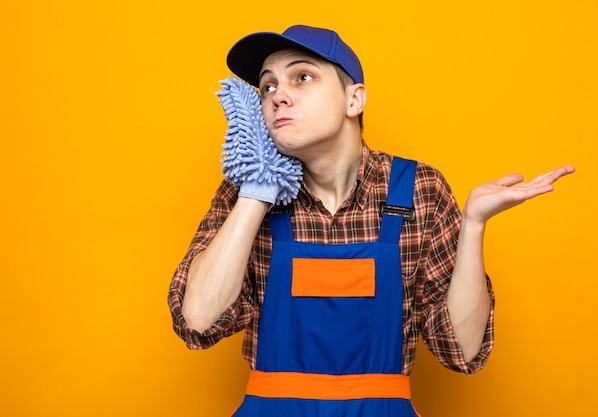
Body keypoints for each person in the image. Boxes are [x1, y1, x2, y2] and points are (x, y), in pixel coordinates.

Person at [168, 24, 574, 416]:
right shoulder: (245, 193)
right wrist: (258, 188)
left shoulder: (418, 190)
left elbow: (462, 351)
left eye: (302, 77)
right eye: (268, 86)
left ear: (354, 100)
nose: (278, 97)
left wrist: (474, 226)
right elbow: (197, 322)